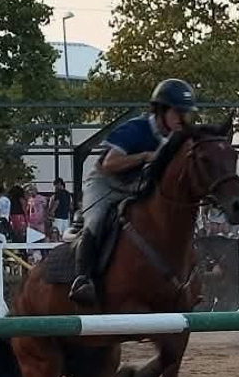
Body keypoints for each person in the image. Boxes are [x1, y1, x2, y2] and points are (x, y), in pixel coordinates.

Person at [69, 78, 198, 305]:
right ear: (161, 110)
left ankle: (184, 282)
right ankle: (83, 280)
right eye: (178, 112)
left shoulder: (175, 139)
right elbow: (109, 164)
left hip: (137, 187)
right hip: (105, 184)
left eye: (185, 113)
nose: (183, 119)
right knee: (96, 221)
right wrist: (145, 156)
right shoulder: (135, 129)